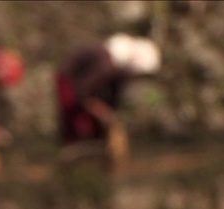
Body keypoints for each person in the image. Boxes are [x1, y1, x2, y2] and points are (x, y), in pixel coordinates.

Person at [55, 33, 161, 173]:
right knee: (80, 127)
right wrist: (104, 115)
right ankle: (73, 165)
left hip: (84, 89)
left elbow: (113, 97)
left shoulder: (117, 73)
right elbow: (82, 93)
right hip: (71, 85)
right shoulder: (103, 65)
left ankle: (96, 164)